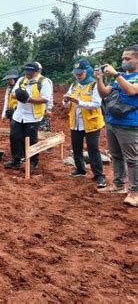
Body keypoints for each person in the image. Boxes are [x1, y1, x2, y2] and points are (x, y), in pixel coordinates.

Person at [95, 44, 138, 206]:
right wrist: (99, 79)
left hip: (130, 124)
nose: (124, 61)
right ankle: (118, 184)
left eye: (128, 58)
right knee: (116, 156)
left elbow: (132, 91)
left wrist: (115, 74)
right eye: (122, 59)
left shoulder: (126, 77)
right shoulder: (120, 77)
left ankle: (135, 192)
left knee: (133, 159)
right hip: (113, 122)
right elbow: (104, 93)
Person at [63, 59, 107, 188]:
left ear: (87, 71)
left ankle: (99, 176)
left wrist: (78, 102)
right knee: (76, 147)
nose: (77, 76)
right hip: (76, 123)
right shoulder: (74, 85)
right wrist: (66, 101)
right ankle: (80, 169)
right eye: (76, 73)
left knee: (93, 149)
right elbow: (66, 106)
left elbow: (96, 104)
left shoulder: (95, 85)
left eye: (80, 73)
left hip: (91, 123)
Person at [4, 62, 52, 171]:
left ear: (36, 72)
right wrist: (19, 96)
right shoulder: (21, 80)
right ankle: (16, 159)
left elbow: (45, 98)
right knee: (14, 136)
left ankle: (33, 162)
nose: (28, 75)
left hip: (33, 116)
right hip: (19, 114)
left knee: (31, 140)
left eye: (30, 73)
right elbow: (13, 93)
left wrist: (29, 99)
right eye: (26, 72)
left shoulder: (44, 82)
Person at [36, 62, 54, 133]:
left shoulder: (45, 81)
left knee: (44, 131)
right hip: (33, 110)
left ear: (40, 70)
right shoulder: (28, 80)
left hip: (43, 109)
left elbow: (50, 96)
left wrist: (49, 109)